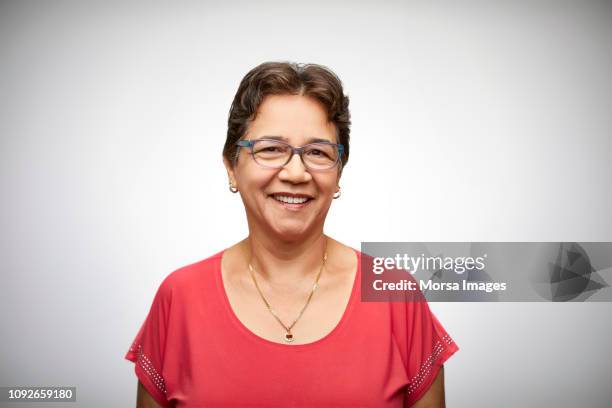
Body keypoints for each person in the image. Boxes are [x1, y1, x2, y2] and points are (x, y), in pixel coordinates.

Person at [125, 61, 459, 407]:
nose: (296, 173)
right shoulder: (179, 298)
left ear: (339, 173)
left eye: (317, 152)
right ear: (231, 167)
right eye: (270, 149)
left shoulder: (395, 298)